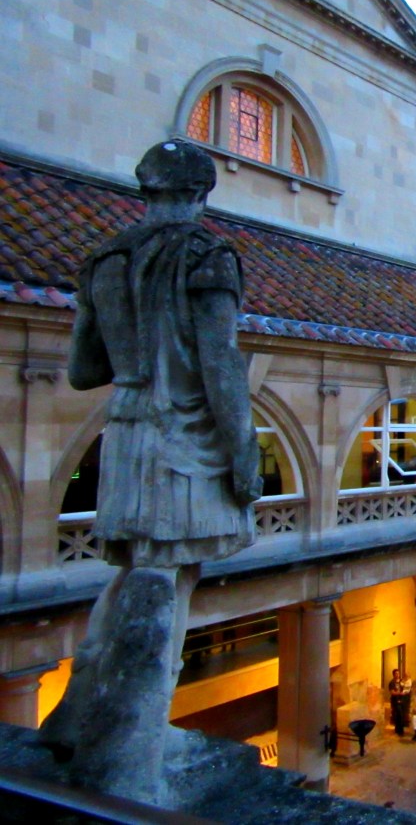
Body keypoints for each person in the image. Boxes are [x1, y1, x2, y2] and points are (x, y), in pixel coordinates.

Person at [38, 140, 260, 801]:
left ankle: (77, 717)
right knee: (167, 579)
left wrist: (136, 349)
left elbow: (85, 370)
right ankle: (129, 757)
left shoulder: (104, 260)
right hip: (183, 439)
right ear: (202, 192)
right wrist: (243, 450)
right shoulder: (206, 257)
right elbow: (221, 364)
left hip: (126, 434)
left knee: (134, 570)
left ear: (146, 188)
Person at [388, 669, 403, 735]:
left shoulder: (401, 681)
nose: (398, 675)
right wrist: (399, 693)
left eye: (398, 673)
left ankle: (398, 729)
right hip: (395, 701)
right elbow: (392, 692)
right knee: (398, 715)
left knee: (401, 715)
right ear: (393, 675)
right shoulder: (392, 683)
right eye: (396, 673)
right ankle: (399, 730)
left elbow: (405, 688)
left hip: (402, 700)